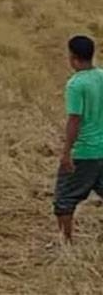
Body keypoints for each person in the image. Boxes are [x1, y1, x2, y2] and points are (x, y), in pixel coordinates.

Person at [54, 35, 103, 243]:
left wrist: (66, 153)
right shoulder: (101, 76)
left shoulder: (76, 84)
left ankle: (66, 241)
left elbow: (75, 120)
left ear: (73, 57)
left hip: (85, 151)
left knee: (64, 197)